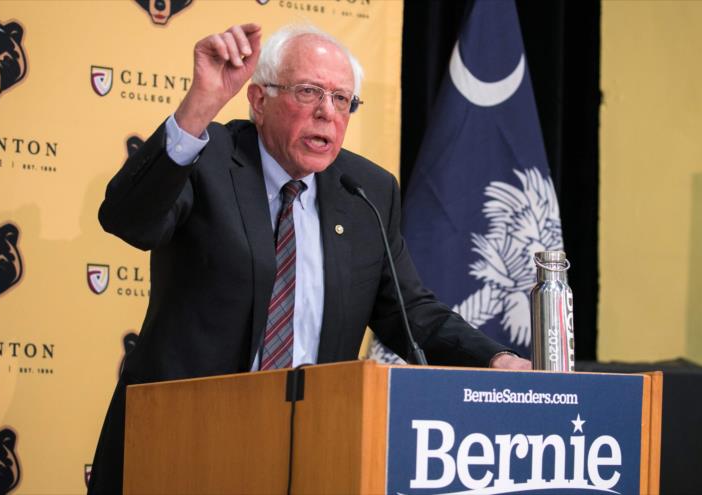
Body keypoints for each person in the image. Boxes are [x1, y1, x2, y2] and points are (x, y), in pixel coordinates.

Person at [88, 23, 531, 494]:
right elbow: (128, 221)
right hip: (186, 440)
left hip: (308, 446)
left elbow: (410, 311)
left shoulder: (366, 191)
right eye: (309, 92)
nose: (327, 113)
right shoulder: (207, 156)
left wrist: (494, 358)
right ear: (259, 101)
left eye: (342, 99)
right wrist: (199, 107)